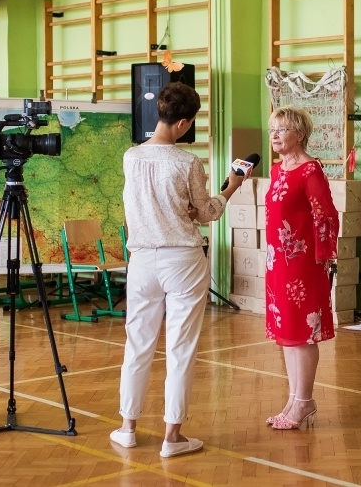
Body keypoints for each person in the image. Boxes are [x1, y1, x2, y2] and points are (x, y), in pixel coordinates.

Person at [110, 82, 248, 458]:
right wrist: (231, 187)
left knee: (138, 344)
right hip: (182, 260)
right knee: (181, 348)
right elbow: (206, 212)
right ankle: (172, 437)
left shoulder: (131, 157)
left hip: (142, 259)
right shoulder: (187, 162)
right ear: (183, 122)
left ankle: (128, 428)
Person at [263, 105, 338, 430]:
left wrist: (322, 256)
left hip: (303, 263)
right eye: (272, 129)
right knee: (288, 333)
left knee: (303, 333)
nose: (275, 135)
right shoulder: (277, 170)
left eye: (282, 130)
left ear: (300, 134)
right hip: (278, 262)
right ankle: (295, 399)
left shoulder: (310, 171)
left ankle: (304, 401)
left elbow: (327, 215)